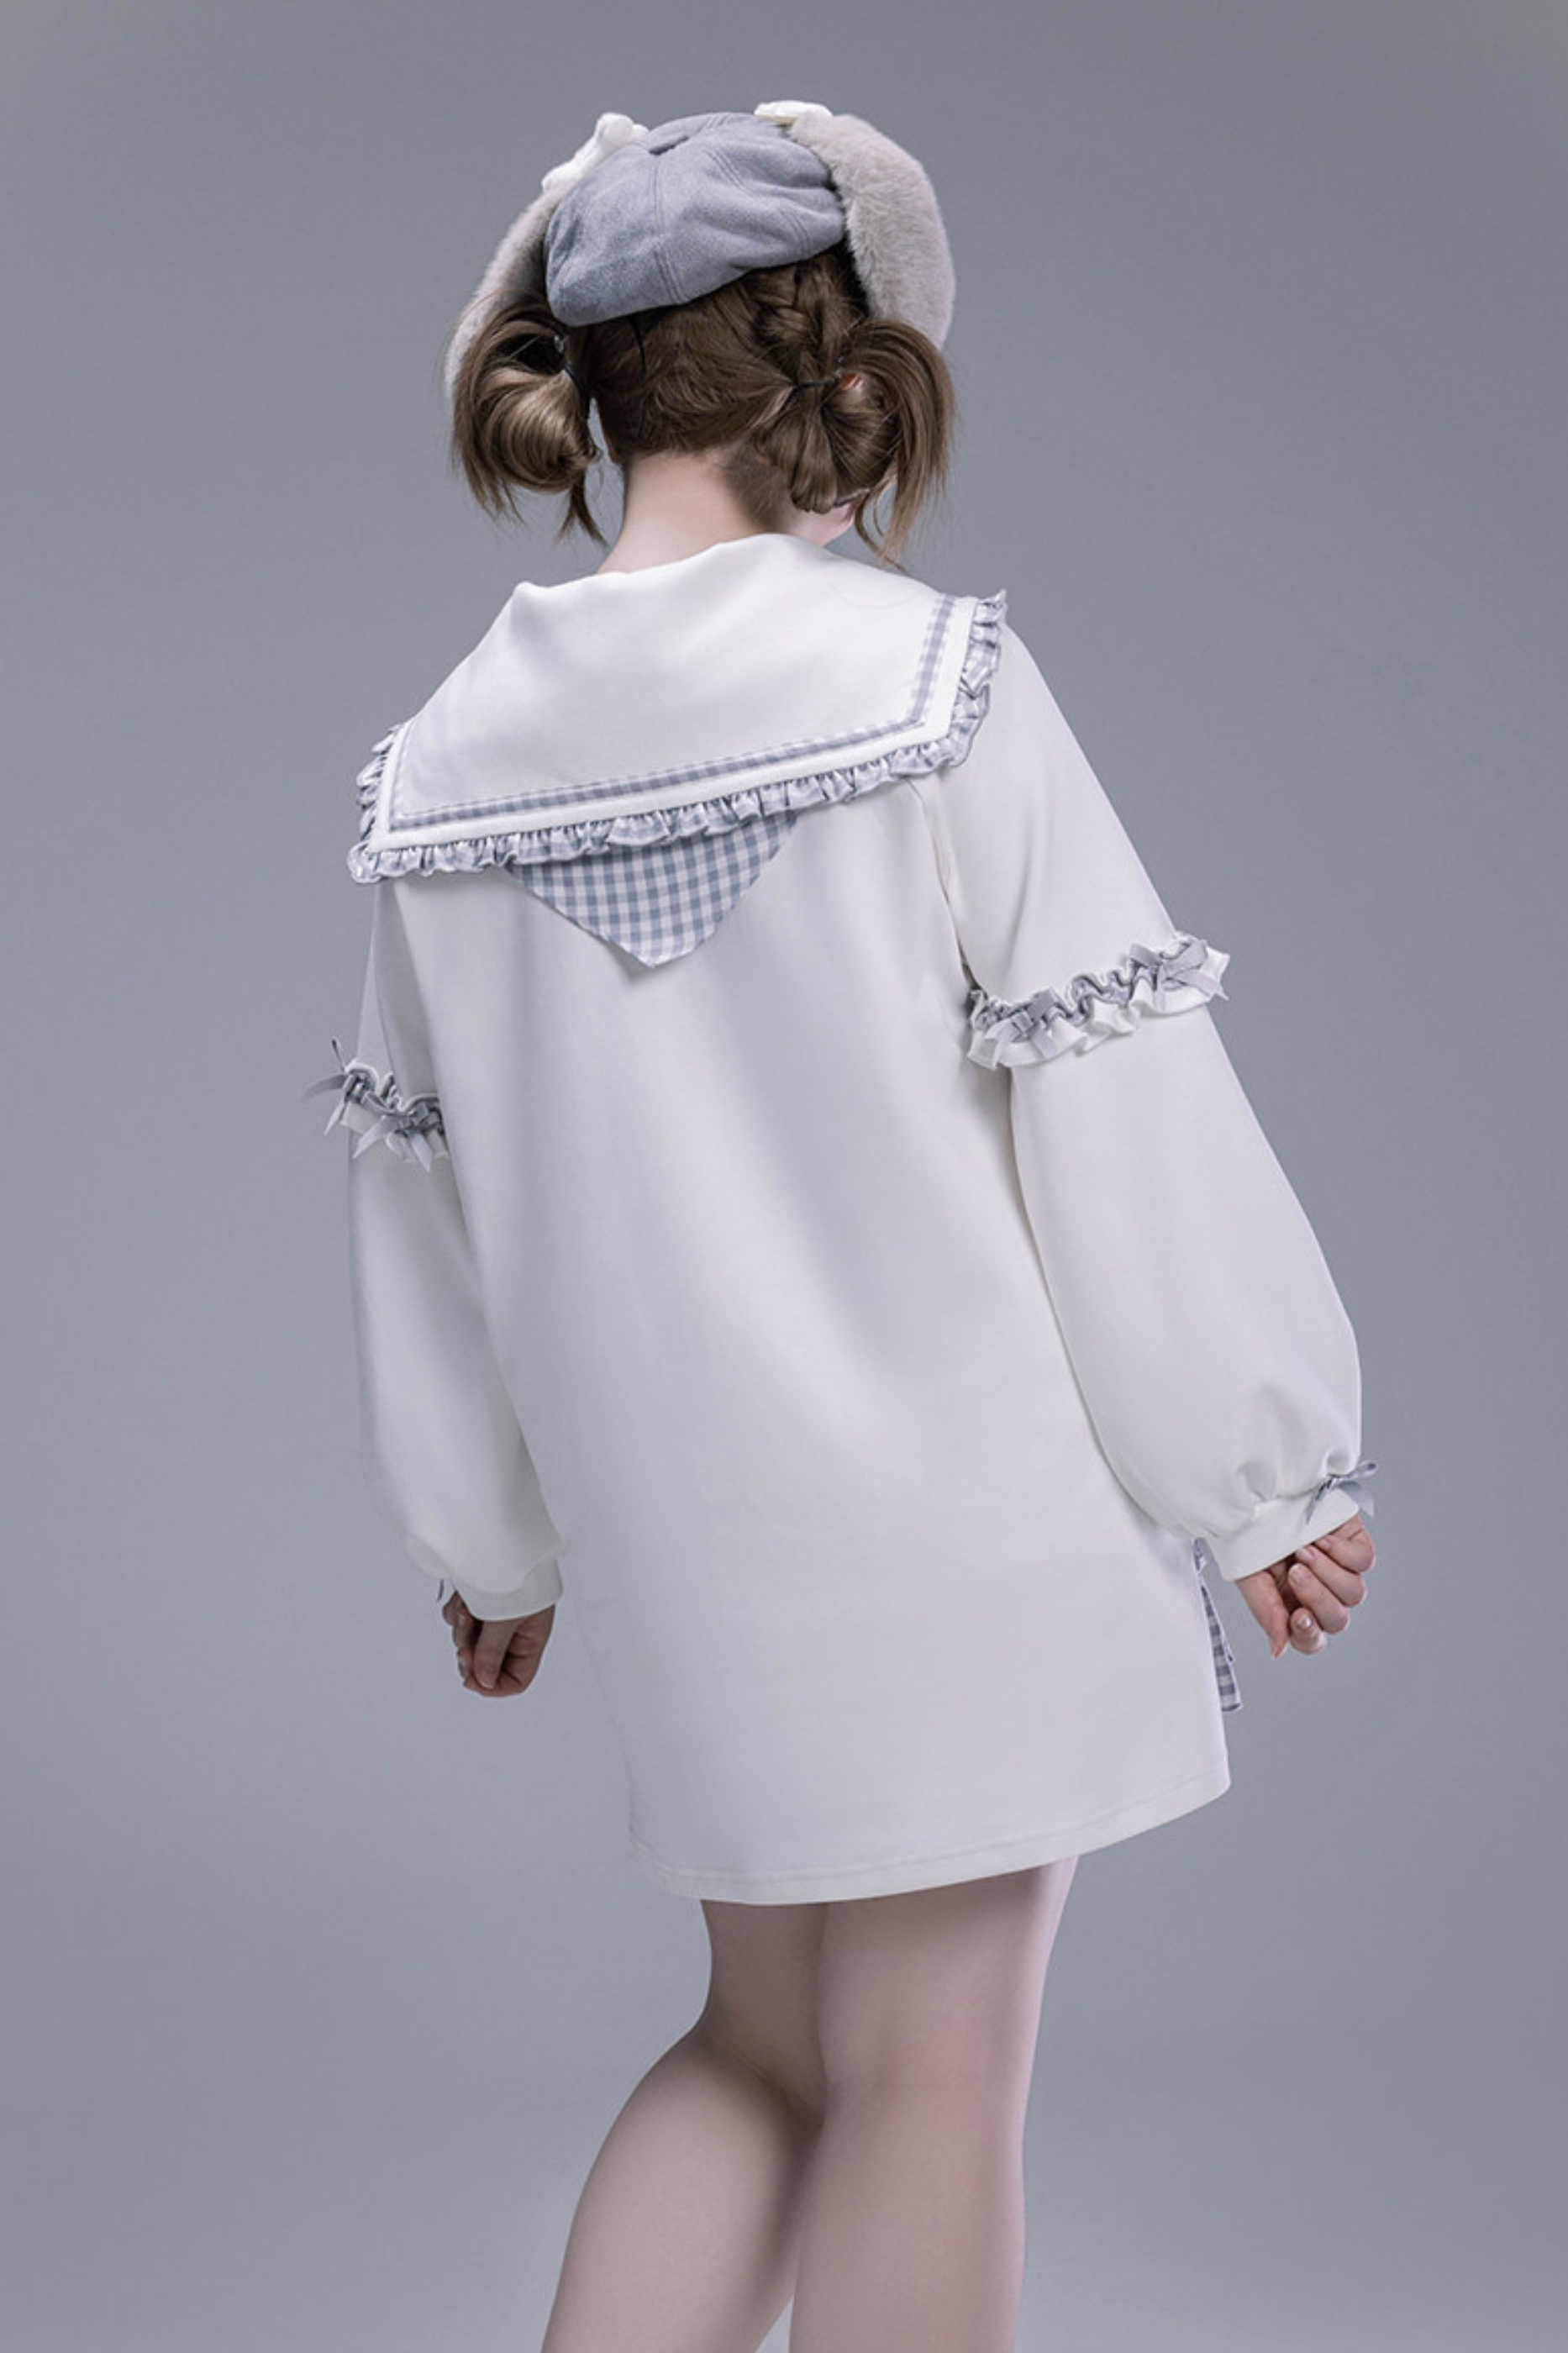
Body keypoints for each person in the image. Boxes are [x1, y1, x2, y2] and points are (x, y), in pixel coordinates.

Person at [307, 102, 1378, 2353]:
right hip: (962, 1528)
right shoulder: (929, 683)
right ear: (854, 379)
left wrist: (490, 1547)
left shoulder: (438, 768)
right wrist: (1265, 1470)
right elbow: (1112, 1083)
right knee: (929, 2073)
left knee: (760, 2053)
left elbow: (429, 1198)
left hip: (692, 1548)